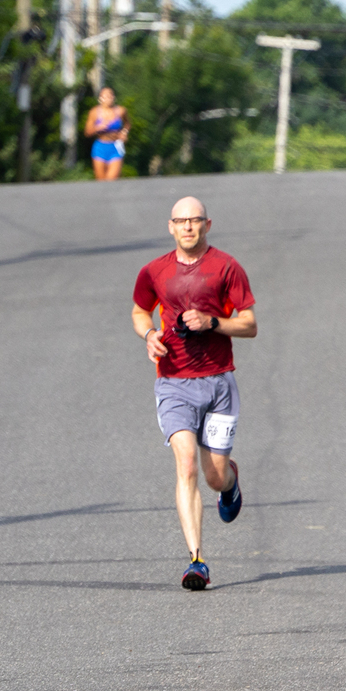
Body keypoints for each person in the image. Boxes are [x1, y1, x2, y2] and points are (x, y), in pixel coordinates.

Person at [131, 197, 257, 590]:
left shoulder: (226, 267)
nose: (188, 227)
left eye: (195, 220)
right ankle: (196, 560)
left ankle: (230, 481)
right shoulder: (154, 271)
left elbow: (249, 324)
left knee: (213, 476)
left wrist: (212, 322)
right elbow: (139, 311)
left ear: (207, 225)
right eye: (181, 221)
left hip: (219, 383)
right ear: (170, 226)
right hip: (173, 382)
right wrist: (149, 334)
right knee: (185, 464)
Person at [85, 87, 129, 181]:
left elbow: (128, 123)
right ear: (100, 99)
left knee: (111, 180)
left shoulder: (121, 111)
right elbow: (87, 132)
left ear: (114, 97)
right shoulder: (94, 112)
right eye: (105, 96)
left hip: (115, 147)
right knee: (101, 181)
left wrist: (124, 133)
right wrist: (98, 128)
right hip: (100, 147)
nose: (108, 98)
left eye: (110, 96)